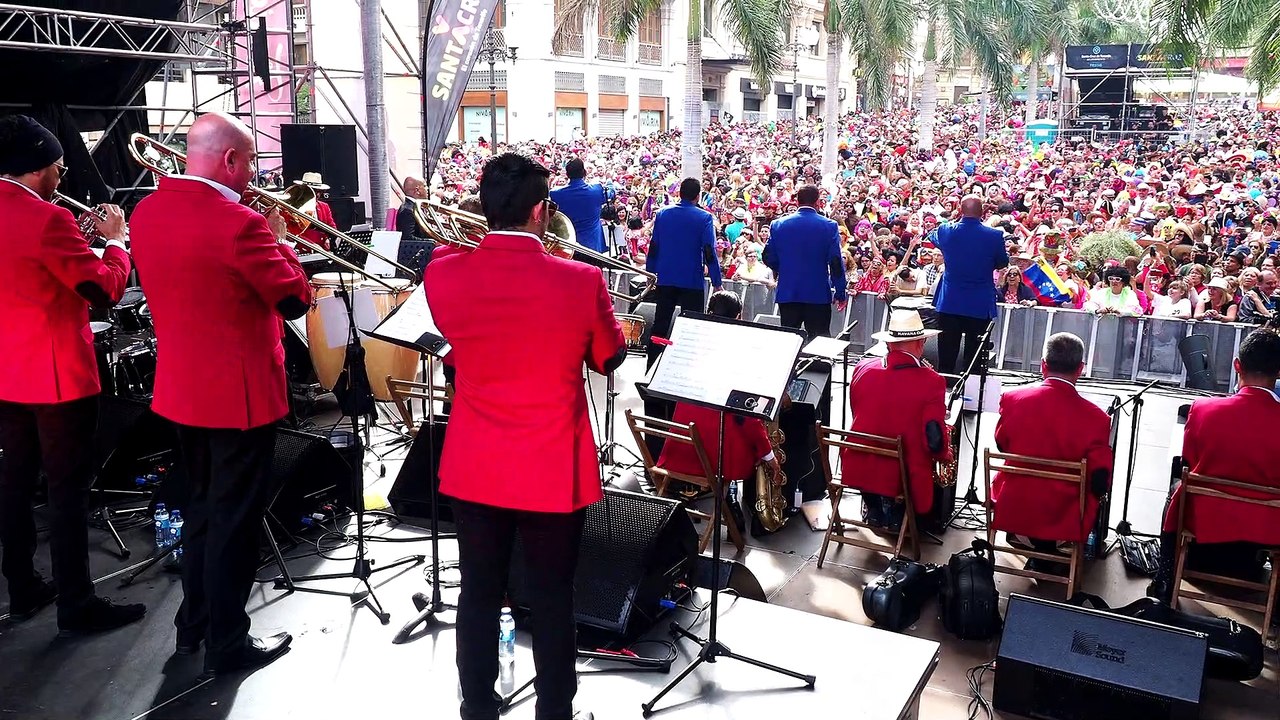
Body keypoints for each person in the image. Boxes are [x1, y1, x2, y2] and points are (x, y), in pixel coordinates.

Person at [426, 152, 625, 720]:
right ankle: (554, 711)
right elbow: (609, 359)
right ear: (541, 211)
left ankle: (477, 705)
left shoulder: (443, 272)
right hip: (550, 468)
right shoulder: (582, 279)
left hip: (475, 463)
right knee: (552, 595)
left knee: (479, 592)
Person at [130, 112, 311, 675]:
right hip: (239, 397)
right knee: (235, 522)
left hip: (182, 392)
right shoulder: (242, 224)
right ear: (231, 160)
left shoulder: (146, 211)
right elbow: (294, 302)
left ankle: (194, 625)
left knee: (202, 511)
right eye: (251, 162)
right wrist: (281, 242)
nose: (253, 173)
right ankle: (228, 641)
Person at [0, 114, 146, 635]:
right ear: (40, 169)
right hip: (56, 376)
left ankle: (22, 589)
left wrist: (79, 240)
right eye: (60, 167)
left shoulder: (31, 214)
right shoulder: (50, 220)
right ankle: (77, 605)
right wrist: (115, 242)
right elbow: (103, 290)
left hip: (7, 374)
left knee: (14, 485)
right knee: (67, 492)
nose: (63, 176)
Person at [1148, 330, 1280, 601]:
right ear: (1278, 372)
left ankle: (1165, 577)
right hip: (1268, 525)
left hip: (1207, 515)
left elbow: (1189, 460)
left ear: (1237, 365)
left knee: (1177, 487)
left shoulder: (1203, 410)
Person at [656, 290, 782, 530]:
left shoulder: (688, 346)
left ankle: (722, 495)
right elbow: (748, 418)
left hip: (679, 447)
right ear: (739, 316)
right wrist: (769, 456)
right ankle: (733, 499)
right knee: (752, 439)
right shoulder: (743, 355)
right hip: (714, 455)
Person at [991, 333, 1113, 567]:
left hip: (1015, 502)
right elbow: (1099, 481)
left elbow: (1002, 444)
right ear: (1080, 369)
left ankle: (1028, 540)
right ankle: (1055, 549)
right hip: (1063, 514)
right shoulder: (1097, 419)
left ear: (1043, 365)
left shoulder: (1012, 398)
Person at [843, 305, 952, 529]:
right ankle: (897, 513)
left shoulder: (862, 367)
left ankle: (874, 507)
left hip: (858, 463)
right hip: (901, 472)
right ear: (921, 343)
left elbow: (859, 411)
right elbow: (934, 440)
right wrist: (946, 454)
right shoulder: (932, 381)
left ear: (887, 343)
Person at [645, 177, 720, 367]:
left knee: (660, 324)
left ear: (680, 193)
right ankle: (687, 367)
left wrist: (650, 272)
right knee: (692, 327)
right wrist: (717, 281)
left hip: (666, 278)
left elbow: (654, 245)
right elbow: (709, 251)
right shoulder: (704, 217)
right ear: (698, 196)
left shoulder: (663, 214)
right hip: (691, 281)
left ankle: (652, 365)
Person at [933, 195, 1009, 373]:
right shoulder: (994, 235)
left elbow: (933, 237)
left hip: (950, 302)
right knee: (974, 358)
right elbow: (1001, 263)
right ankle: (972, 394)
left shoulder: (945, 230)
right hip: (979, 303)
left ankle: (944, 390)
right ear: (982, 212)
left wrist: (954, 218)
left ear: (960, 210)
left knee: (946, 354)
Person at [763, 185, 846, 340]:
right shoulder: (829, 226)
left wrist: (786, 270)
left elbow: (768, 256)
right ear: (818, 202)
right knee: (819, 342)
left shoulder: (778, 225)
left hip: (788, 291)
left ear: (797, 200)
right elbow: (835, 261)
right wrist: (840, 290)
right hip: (817, 293)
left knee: (788, 341)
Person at [550, 157, 607, 253]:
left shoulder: (555, 194)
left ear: (567, 175)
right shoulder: (597, 190)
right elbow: (610, 193)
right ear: (584, 172)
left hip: (568, 247)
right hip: (593, 248)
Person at [395, 175, 434, 277]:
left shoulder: (414, 207)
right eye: (425, 186)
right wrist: (433, 242)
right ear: (417, 190)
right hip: (416, 262)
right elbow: (408, 238)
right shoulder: (407, 210)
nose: (427, 189)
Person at [293, 172, 337, 250]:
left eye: (319, 191)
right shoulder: (295, 207)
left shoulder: (324, 206)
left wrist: (327, 239)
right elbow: (293, 233)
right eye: (314, 191)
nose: (317, 194)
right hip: (303, 250)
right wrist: (311, 245)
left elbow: (332, 228)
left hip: (323, 250)